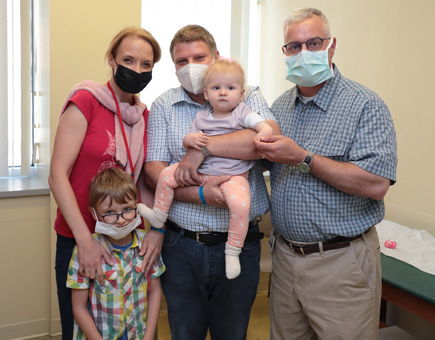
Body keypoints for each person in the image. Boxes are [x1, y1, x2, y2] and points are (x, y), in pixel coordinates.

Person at [253, 8, 398, 340]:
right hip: (287, 258)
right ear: (284, 53)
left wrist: (303, 157)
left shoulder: (365, 105)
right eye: (294, 46)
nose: (303, 53)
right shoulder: (279, 107)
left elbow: (376, 184)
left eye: (314, 43)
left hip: (340, 262)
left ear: (331, 47)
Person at [145, 25, 280, 339]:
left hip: (240, 245)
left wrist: (199, 150)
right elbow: (154, 169)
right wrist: (202, 194)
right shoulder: (165, 105)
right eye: (182, 61)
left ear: (216, 56)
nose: (191, 66)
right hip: (181, 246)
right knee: (184, 332)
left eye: (199, 56)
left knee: (231, 333)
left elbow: (266, 139)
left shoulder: (245, 92)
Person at [48, 26, 163, 340]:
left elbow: (146, 182)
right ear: (111, 60)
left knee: (126, 324)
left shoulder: (144, 116)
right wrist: (85, 242)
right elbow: (57, 175)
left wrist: (156, 229)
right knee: (81, 330)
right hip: (79, 239)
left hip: (124, 240)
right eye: (128, 59)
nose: (136, 69)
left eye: (146, 64)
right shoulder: (86, 101)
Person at [139, 58, 273, 280]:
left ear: (241, 93)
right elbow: (189, 141)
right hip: (200, 175)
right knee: (165, 175)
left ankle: (232, 251)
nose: (223, 93)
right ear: (207, 93)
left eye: (230, 88)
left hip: (233, 176)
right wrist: (190, 140)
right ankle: (158, 215)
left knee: (241, 205)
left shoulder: (243, 112)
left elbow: (265, 129)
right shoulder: (201, 115)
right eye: (216, 88)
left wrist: (262, 132)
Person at [67, 167, 165, 340]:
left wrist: (149, 336)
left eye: (127, 209)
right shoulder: (84, 253)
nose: (120, 220)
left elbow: (155, 292)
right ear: (95, 213)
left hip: (140, 334)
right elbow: (79, 308)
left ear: (138, 206)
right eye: (110, 213)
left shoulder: (147, 246)